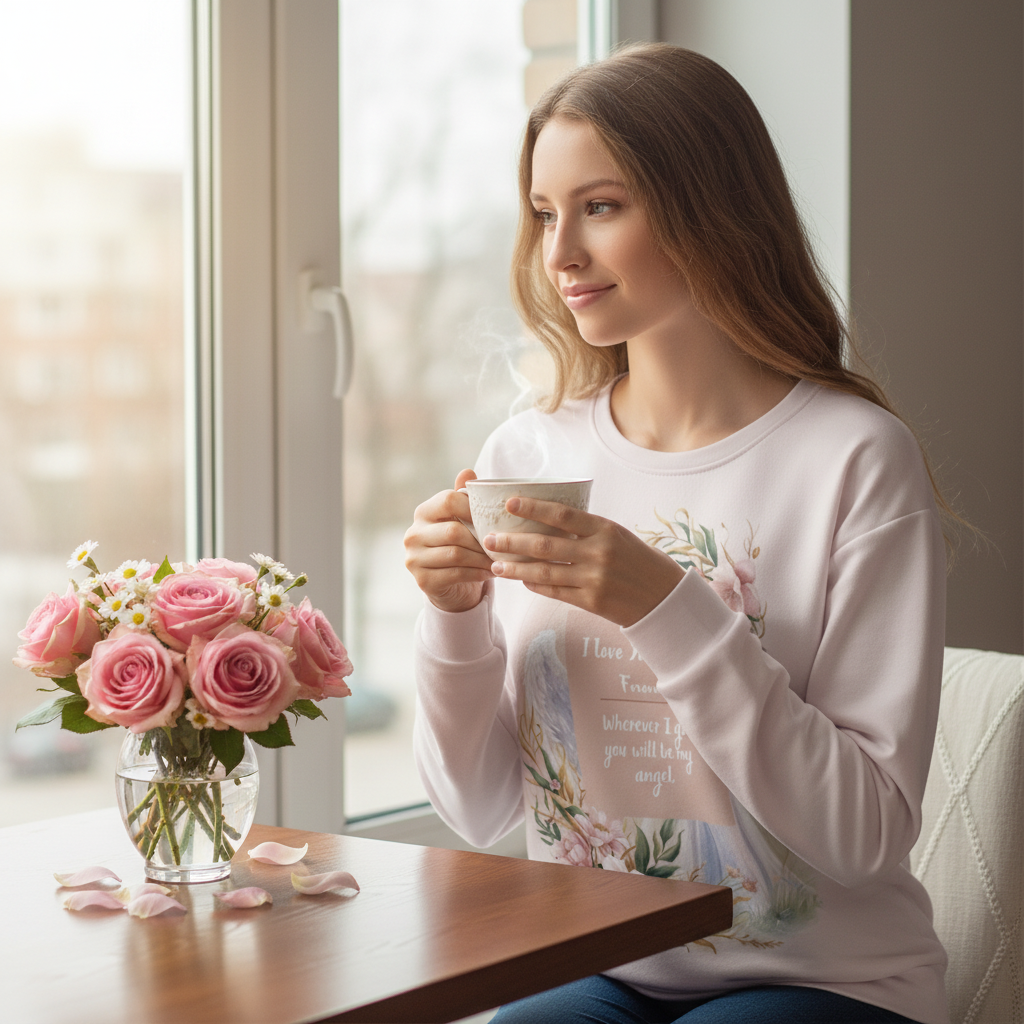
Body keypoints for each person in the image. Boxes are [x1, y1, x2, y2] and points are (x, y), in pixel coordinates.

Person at [403, 44, 949, 1024]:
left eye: (600, 206)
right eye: (542, 215)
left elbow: (864, 832)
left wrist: (664, 605)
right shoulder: (528, 449)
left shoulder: (855, 456)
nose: (559, 251)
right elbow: (482, 808)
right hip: (593, 960)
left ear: (712, 210)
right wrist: (454, 619)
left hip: (828, 980)